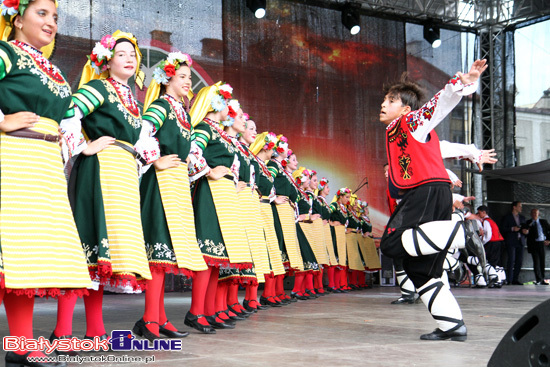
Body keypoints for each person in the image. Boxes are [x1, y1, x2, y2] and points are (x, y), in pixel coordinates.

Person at [0, 0, 91, 364]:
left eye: (55, 17)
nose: (51, 22)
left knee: (31, 253)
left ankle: (21, 345)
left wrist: (74, 150)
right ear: (17, 18)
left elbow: (69, 121)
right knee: (12, 248)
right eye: (42, 13)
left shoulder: (54, 71)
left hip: (45, 165)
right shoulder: (5, 52)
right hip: (14, 156)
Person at [379, 60, 488, 341]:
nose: (383, 104)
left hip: (425, 191)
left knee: (392, 242)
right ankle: (452, 325)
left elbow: (439, 105)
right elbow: (442, 147)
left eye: (390, 100)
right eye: (384, 99)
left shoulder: (412, 121)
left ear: (405, 109)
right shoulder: (405, 132)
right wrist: (472, 153)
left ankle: (461, 231)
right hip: (432, 191)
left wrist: (463, 83)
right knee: (423, 269)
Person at [59, 30, 155, 343]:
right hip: (100, 170)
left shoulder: (134, 102)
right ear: (106, 60)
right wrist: (83, 146)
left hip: (123, 175)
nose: (129, 59)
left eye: (133, 55)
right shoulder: (98, 87)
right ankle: (62, 332)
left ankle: (96, 330)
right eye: (121, 54)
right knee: (87, 247)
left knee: (106, 256)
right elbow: (68, 113)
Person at [136, 52, 209, 340]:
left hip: (177, 184)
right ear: (167, 79)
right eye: (182, 77)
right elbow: (142, 132)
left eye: (190, 77)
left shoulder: (184, 114)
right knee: (158, 253)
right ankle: (150, 321)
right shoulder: (160, 106)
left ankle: (159, 318)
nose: (188, 81)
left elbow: (191, 151)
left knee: (166, 256)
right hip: (160, 184)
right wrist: (156, 161)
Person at [188, 82, 254, 330]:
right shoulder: (205, 127)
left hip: (224, 194)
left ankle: (207, 310)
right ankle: (196, 311)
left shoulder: (221, 132)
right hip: (209, 192)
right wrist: (208, 171)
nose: (231, 109)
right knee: (207, 253)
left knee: (218, 256)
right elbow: (192, 150)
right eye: (227, 103)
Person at [500, 201, 528, 285]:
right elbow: (502, 229)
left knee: (519, 260)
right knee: (511, 260)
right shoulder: (507, 217)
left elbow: (525, 228)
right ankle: (509, 279)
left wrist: (525, 232)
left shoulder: (522, 218)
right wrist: (512, 229)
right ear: (514, 207)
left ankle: (516, 279)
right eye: (519, 206)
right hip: (511, 241)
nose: (521, 208)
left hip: (520, 241)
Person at [526, 209, 550, 285]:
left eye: (536, 213)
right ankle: (538, 279)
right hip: (534, 244)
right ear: (531, 214)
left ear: (538, 214)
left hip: (542, 243)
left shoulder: (543, 222)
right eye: (533, 213)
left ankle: (542, 278)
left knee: (542, 261)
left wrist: (549, 240)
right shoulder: (528, 222)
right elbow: (525, 233)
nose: (534, 214)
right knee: (536, 262)